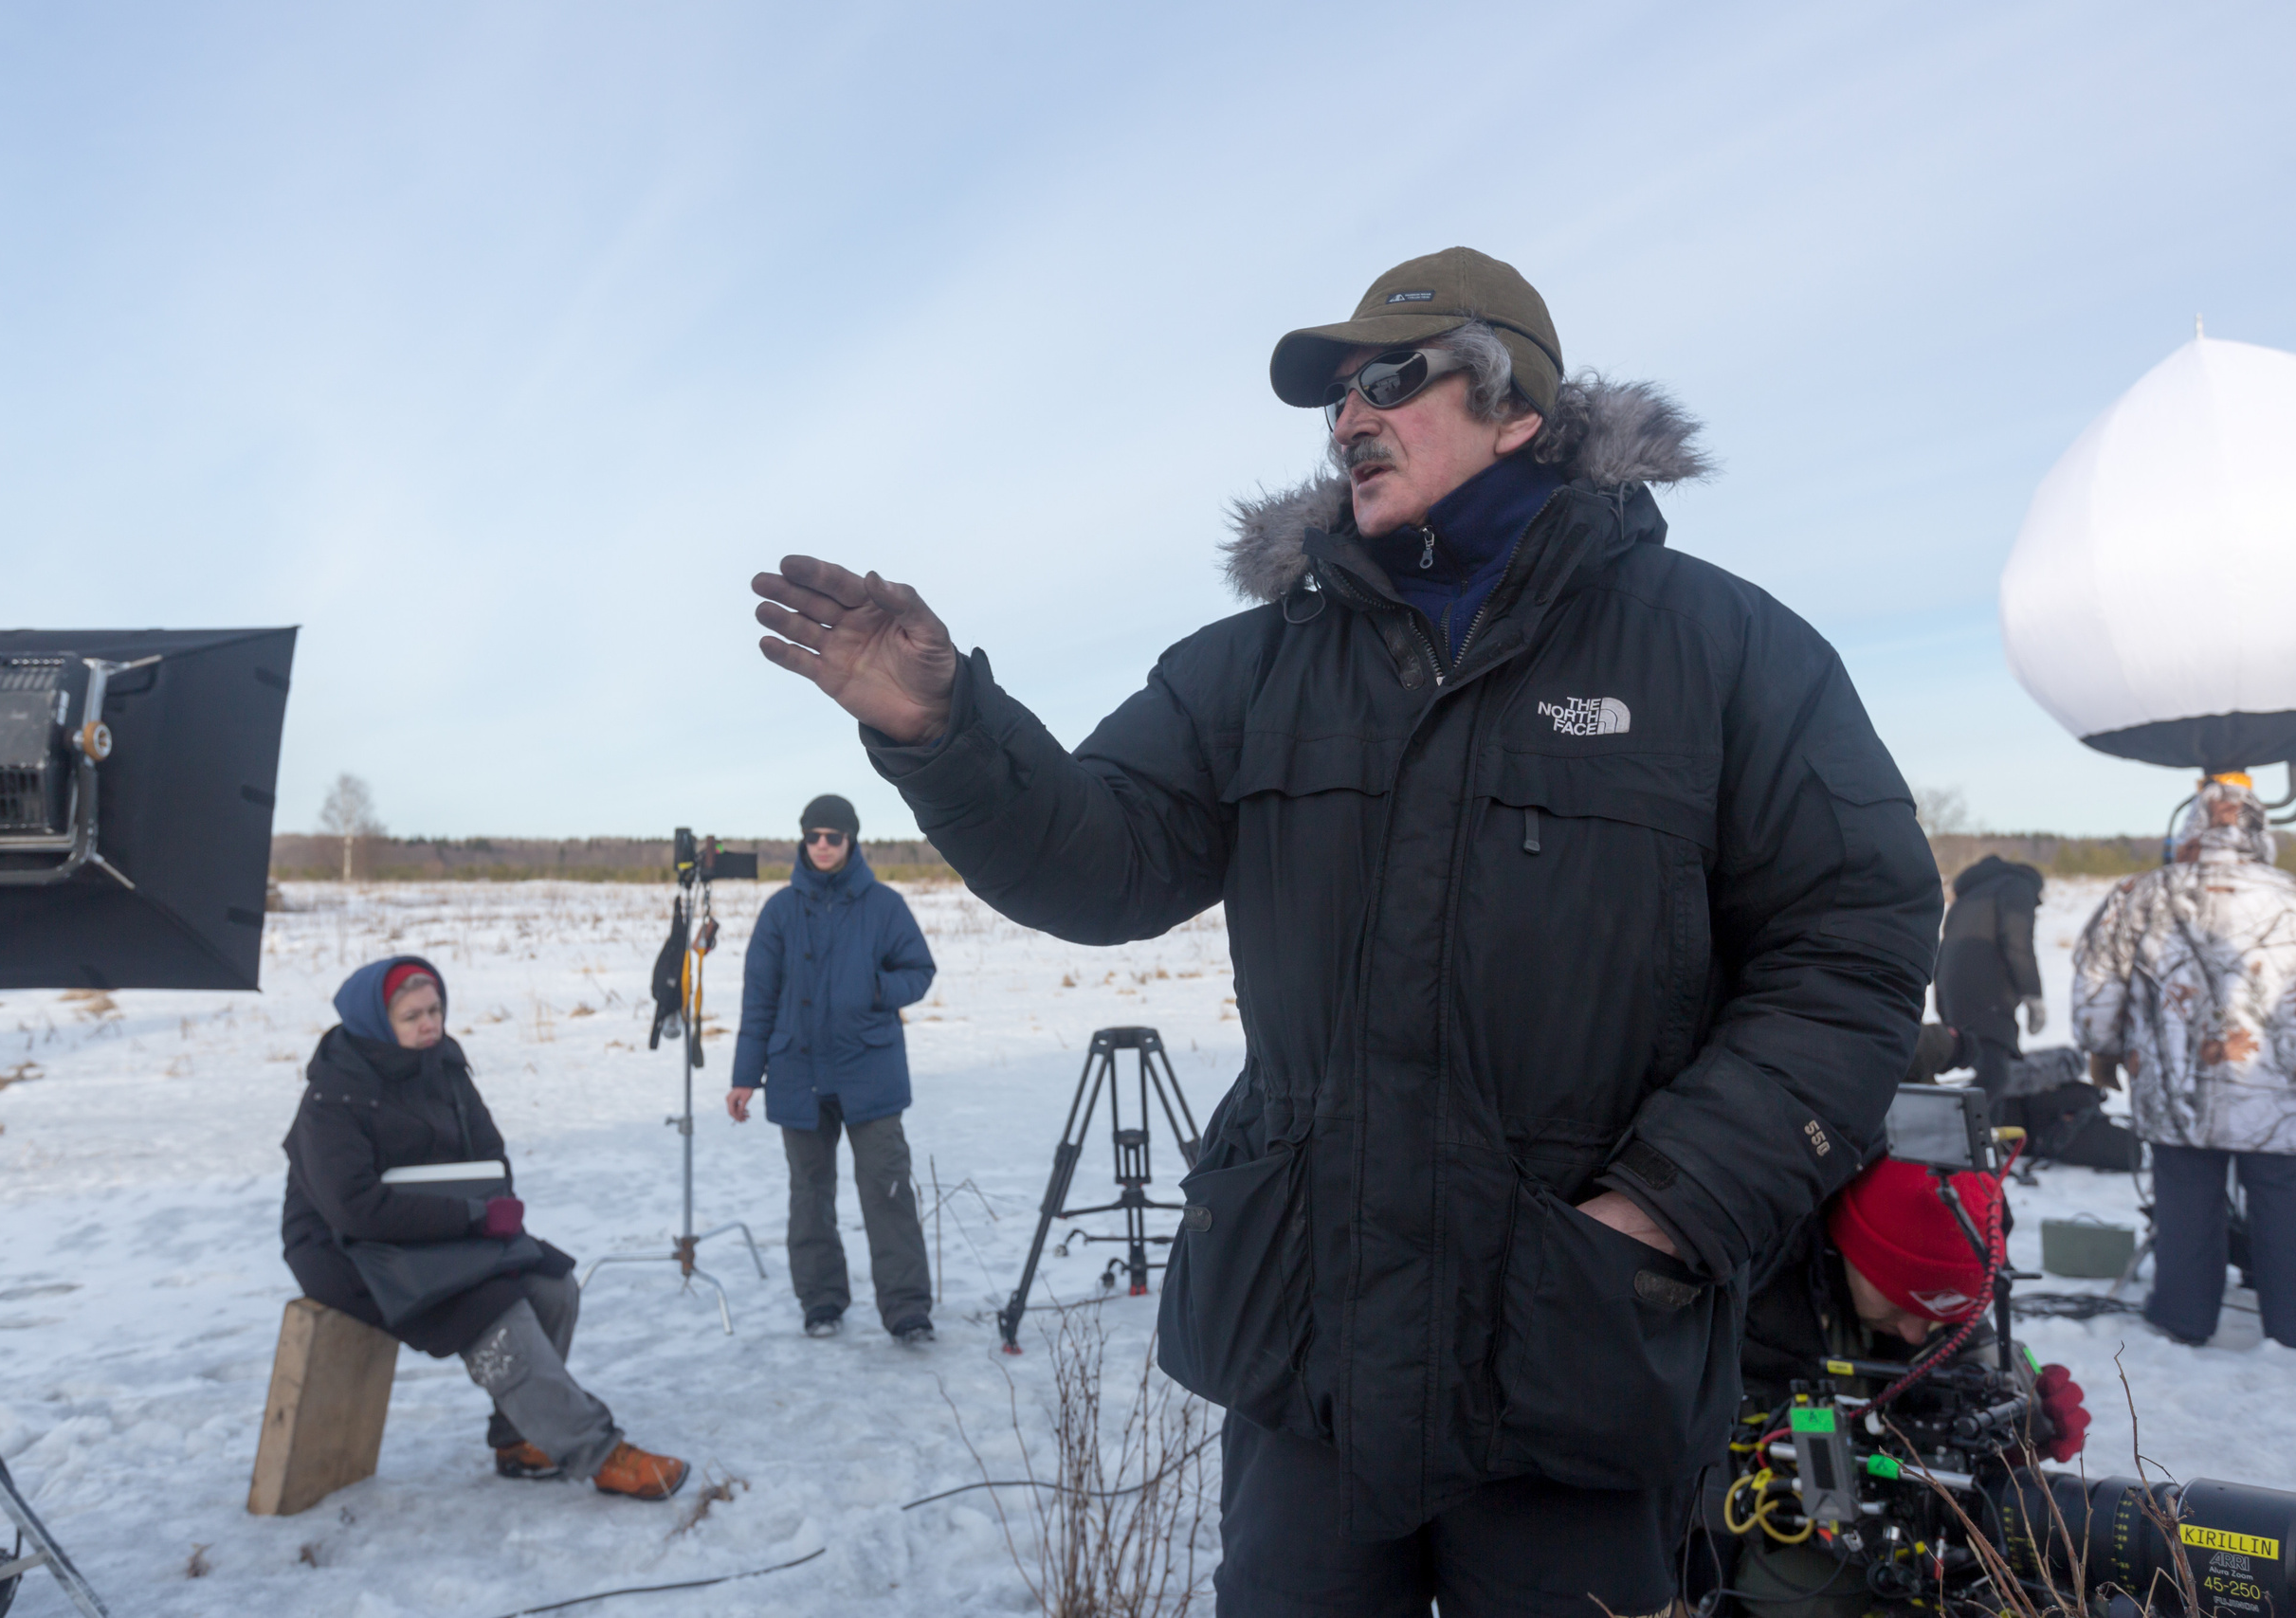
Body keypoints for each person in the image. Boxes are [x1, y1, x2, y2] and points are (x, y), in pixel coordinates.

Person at [748, 246, 1941, 1615]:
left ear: (1519, 412)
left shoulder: (1727, 653)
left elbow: (1854, 946)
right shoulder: (1258, 664)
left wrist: (1665, 1208)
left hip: (1581, 1340)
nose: (1349, 417)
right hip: (1309, 1345)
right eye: (1333, 398)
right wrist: (946, 727)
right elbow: (1101, 864)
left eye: (1390, 378)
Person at [282, 955, 691, 1500]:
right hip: (348, 1252)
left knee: (552, 1286)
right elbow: (356, 1209)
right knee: (492, 1311)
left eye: (435, 1010)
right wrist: (471, 1216)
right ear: (377, 1024)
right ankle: (596, 1451)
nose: (430, 1024)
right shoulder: (332, 1098)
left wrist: (488, 1205)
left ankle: (521, 1439)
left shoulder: (444, 1067)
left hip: (439, 1231)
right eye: (412, 1017)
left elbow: (490, 1155)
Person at [1705, 1155, 2090, 1617]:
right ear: (1847, 1251)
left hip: (1913, 1541)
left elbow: (1972, 1365)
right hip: (1759, 1538)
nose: (1914, 1333)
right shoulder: (1747, 1306)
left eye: (1940, 1316)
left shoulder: (1953, 1269)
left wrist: (2013, 1432)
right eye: (1898, 1307)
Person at [2072, 773, 2296, 1350]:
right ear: (2259, 830)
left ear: (2191, 827)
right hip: (2282, 1091)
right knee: (2289, 1204)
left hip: (2175, 1086)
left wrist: (2101, 1047)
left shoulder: (2141, 894)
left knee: (2186, 1202)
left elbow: (2098, 979)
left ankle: (2182, 1319)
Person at [727, 794, 939, 1343]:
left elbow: (919, 970)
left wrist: (874, 988)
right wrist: (745, 1076)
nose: (823, 845)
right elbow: (759, 999)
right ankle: (821, 1302)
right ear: (803, 840)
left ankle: (908, 1311)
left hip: (869, 1073)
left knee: (889, 1195)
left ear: (851, 841)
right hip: (797, 1076)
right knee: (809, 1199)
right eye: (814, 836)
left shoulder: (884, 906)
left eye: (834, 837)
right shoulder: (779, 911)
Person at [1935, 855, 2047, 1106]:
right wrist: (2033, 995)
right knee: (1994, 1079)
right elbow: (2017, 941)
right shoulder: (2017, 886)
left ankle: (1975, 1134)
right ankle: (1976, 1140)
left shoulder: (1968, 895)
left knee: (1988, 1074)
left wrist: (1942, 1004)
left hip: (1953, 994)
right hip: (1988, 997)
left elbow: (1944, 948)